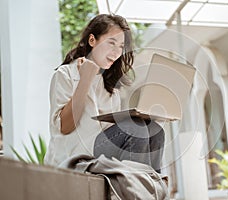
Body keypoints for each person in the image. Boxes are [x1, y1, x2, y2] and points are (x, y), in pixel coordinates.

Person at [44, 14, 165, 173]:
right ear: (92, 40)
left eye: (121, 46)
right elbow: (65, 127)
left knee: (155, 131)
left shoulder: (110, 86)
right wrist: (85, 79)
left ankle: (148, 188)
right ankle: (135, 188)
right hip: (73, 155)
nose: (116, 52)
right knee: (136, 129)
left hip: (100, 151)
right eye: (111, 43)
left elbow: (112, 133)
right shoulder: (64, 74)